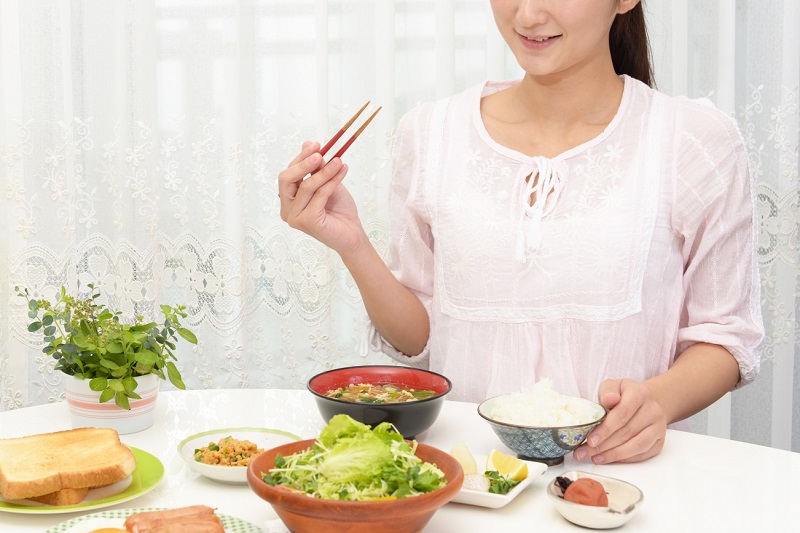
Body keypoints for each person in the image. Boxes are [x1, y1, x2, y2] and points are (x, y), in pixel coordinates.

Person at [277, 0, 763, 465]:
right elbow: (420, 336)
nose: (528, 15)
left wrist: (659, 401)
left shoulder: (694, 139)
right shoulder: (430, 134)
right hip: (468, 481)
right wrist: (352, 244)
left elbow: (726, 334)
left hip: (621, 488)